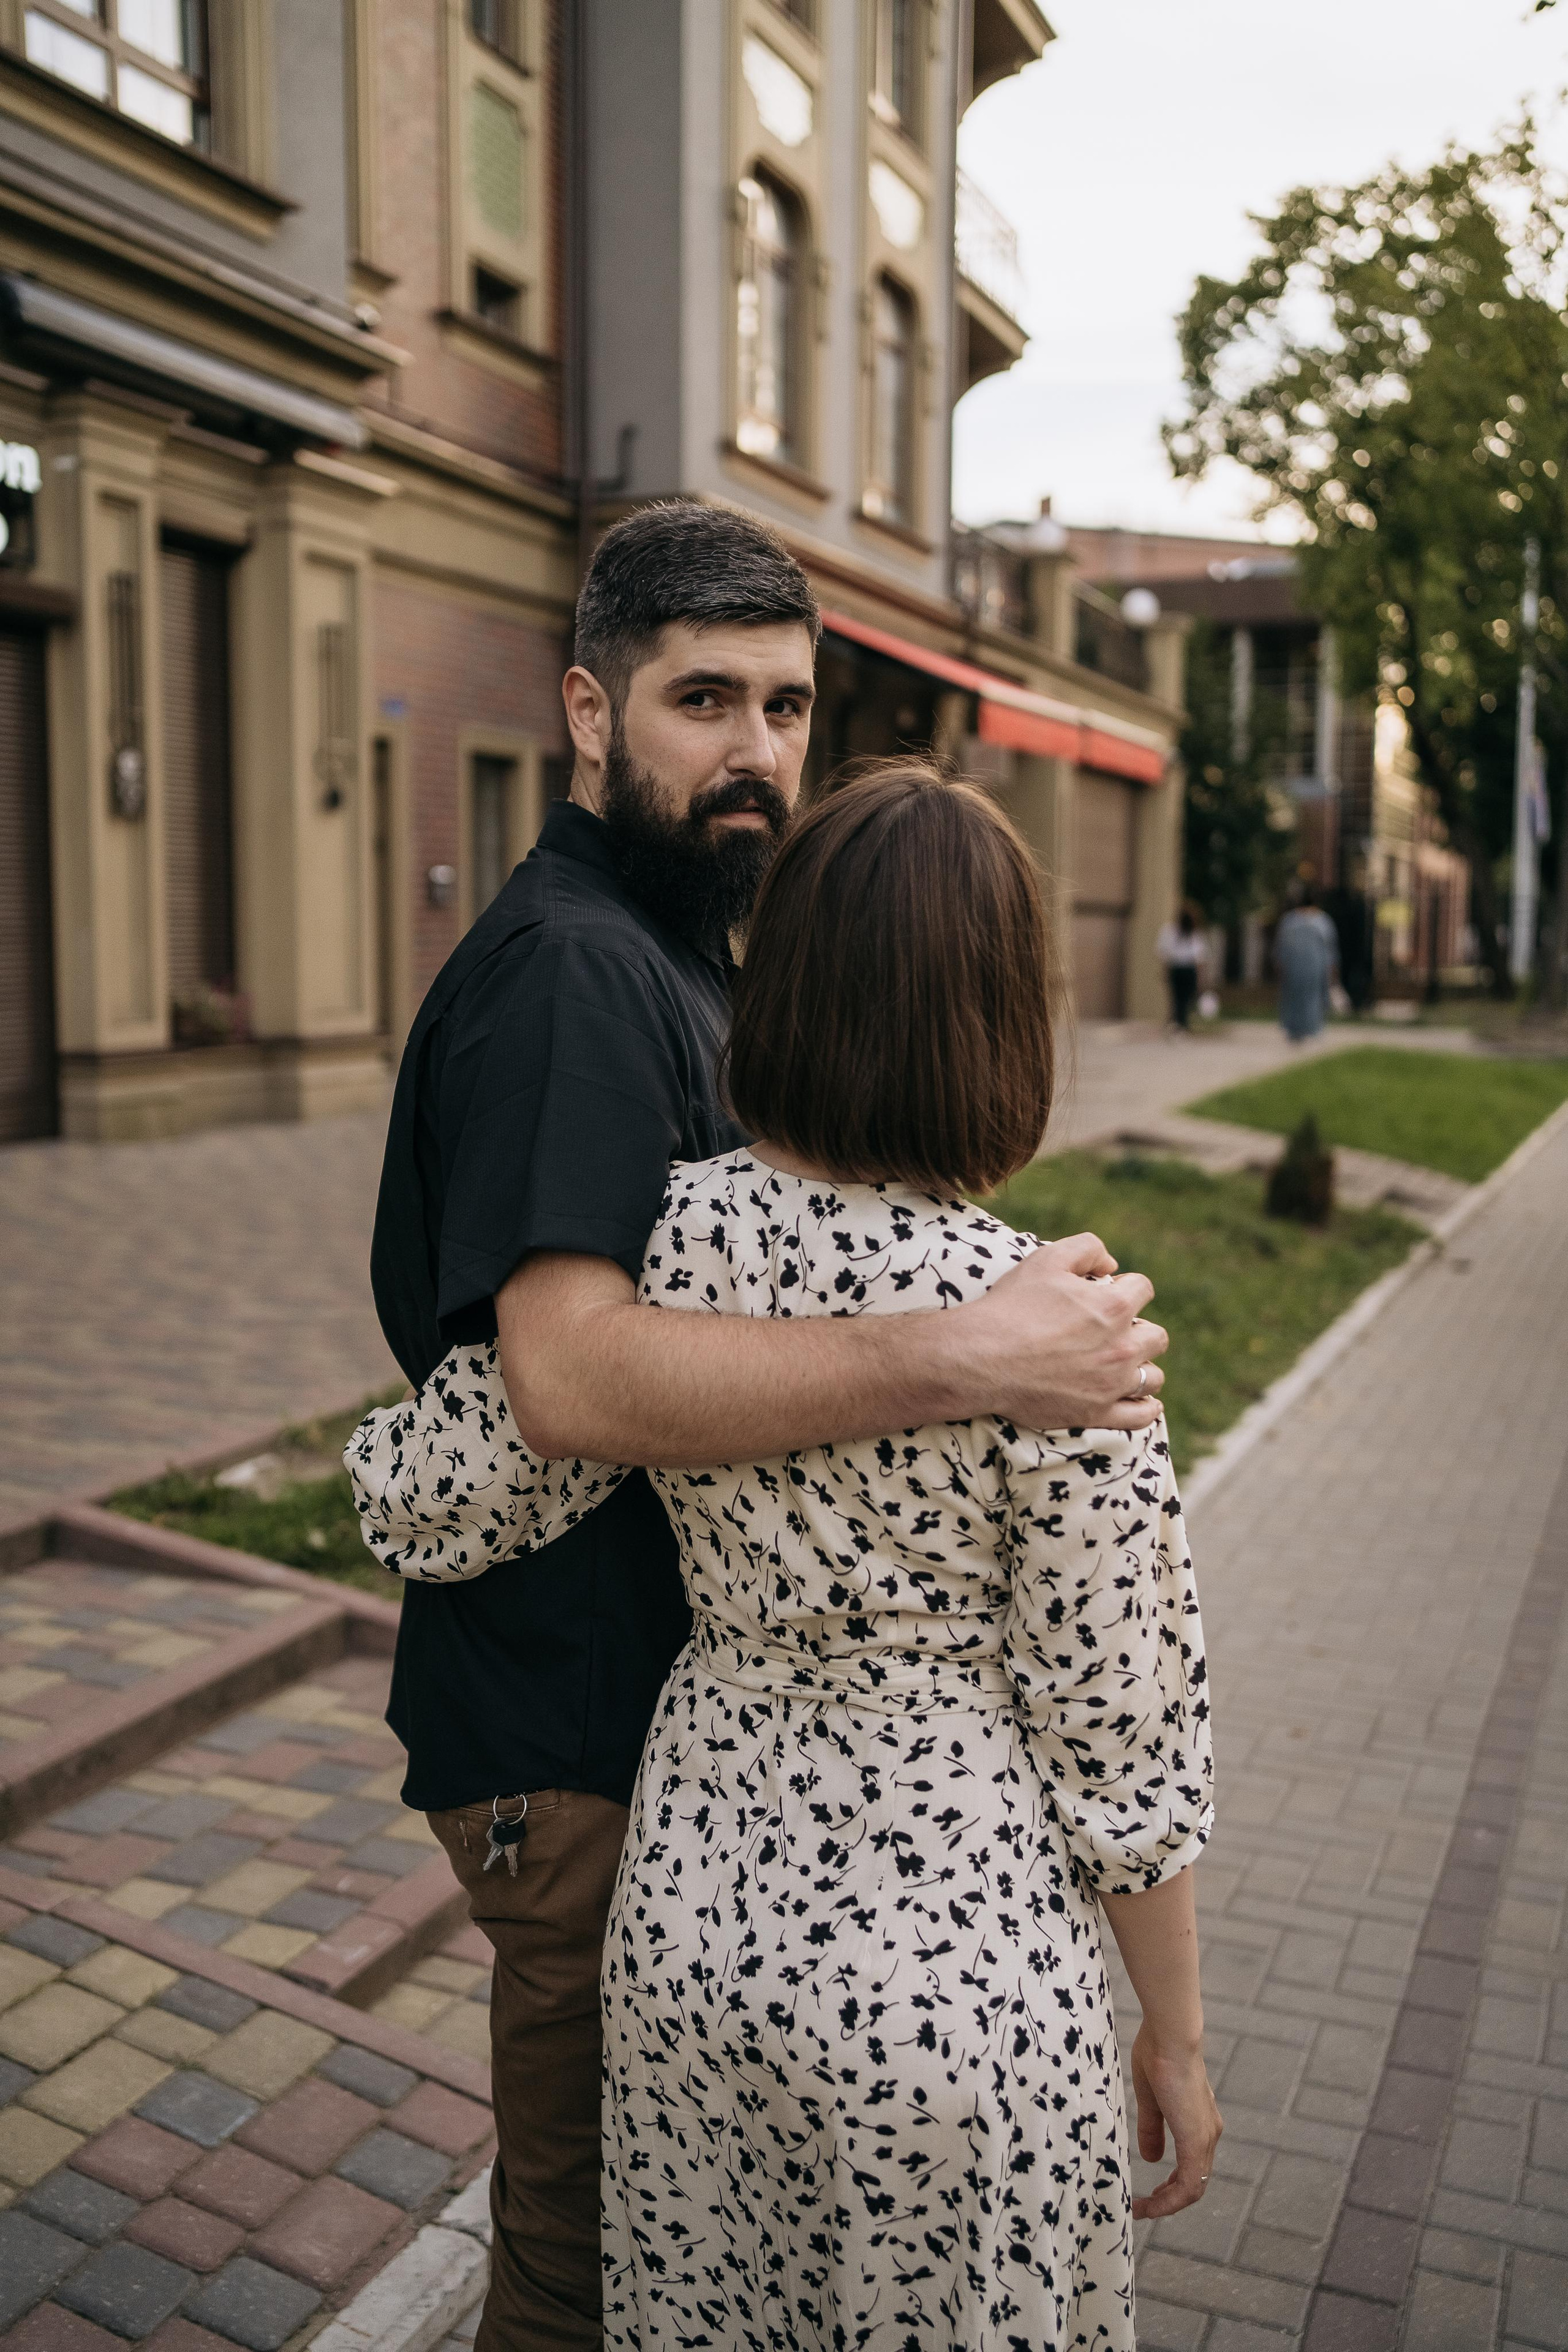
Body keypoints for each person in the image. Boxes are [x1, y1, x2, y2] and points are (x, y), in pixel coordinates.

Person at [367, 503, 1172, 2351]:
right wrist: (965, 1351)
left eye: (789, 708)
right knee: (579, 2290)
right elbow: (568, 1378)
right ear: (587, 706)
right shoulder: (579, 972)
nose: (753, 753)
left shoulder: (684, 951)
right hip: (567, 1745)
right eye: (702, 698)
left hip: (682, 1777)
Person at [1275, 884, 1340, 1042]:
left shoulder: (1289, 921)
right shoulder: (1323, 921)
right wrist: (1333, 969)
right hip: (1315, 966)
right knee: (1313, 997)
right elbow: (1330, 949)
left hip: (1294, 966)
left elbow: (1281, 948)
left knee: (1293, 996)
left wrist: (1280, 965)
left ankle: (1294, 1029)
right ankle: (1311, 1028)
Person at [1156, 900, 1207, 1030]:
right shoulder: (1189, 934)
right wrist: (1200, 979)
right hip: (1186, 970)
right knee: (1182, 998)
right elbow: (1199, 960)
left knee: (1179, 998)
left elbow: (1164, 954)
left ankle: (1178, 1022)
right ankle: (1180, 1023)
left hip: (1179, 969)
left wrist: (1165, 971)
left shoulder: (1173, 932)